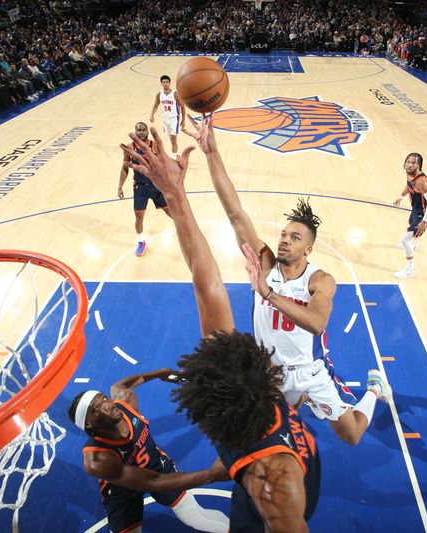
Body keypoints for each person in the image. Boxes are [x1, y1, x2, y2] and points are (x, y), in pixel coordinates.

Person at [122, 126, 321, 532]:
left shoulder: (271, 484)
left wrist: (175, 194)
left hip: (288, 489)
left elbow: (205, 279)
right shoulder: (253, 393)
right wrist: (175, 193)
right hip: (275, 444)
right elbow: (205, 278)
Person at [182, 113, 391, 447]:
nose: (283, 240)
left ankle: (375, 390)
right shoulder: (265, 263)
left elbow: (317, 324)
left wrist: (269, 294)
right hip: (269, 372)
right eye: (283, 234)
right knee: (264, 434)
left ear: (308, 248)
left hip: (309, 372)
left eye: (294, 237)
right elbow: (235, 212)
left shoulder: (320, 280)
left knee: (351, 435)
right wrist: (212, 153)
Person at [67, 369, 230, 533]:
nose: (108, 405)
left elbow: (122, 384)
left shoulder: (126, 402)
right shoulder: (98, 460)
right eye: (96, 409)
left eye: (104, 399)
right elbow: (154, 482)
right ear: (89, 425)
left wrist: (162, 373)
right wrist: (211, 475)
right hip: (122, 491)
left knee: (195, 516)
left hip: (155, 465)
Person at [118, 122, 171, 256]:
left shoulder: (155, 146)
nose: (141, 132)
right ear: (135, 132)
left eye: (143, 130)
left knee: (171, 212)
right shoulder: (129, 148)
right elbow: (125, 167)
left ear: (147, 131)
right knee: (139, 216)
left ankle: (185, 230)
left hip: (156, 185)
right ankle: (141, 242)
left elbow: (163, 164)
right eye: (138, 130)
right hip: (140, 188)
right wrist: (120, 186)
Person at [392, 153, 427, 278]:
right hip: (417, 209)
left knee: (405, 240)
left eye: (413, 163)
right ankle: (413, 242)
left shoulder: (422, 182)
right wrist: (401, 196)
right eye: (408, 162)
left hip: (425, 212)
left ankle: (410, 270)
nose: (410, 165)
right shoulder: (410, 173)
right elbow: (409, 186)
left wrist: (424, 221)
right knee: (411, 225)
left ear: (419, 166)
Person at [149, 75, 185, 156]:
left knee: (173, 139)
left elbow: (182, 106)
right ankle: (175, 154)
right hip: (165, 119)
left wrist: (183, 120)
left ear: (169, 83)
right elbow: (155, 106)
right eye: (164, 82)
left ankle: (174, 157)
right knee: (170, 139)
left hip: (174, 119)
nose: (166, 84)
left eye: (167, 82)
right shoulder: (159, 94)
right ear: (161, 83)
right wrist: (152, 115)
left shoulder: (175, 94)